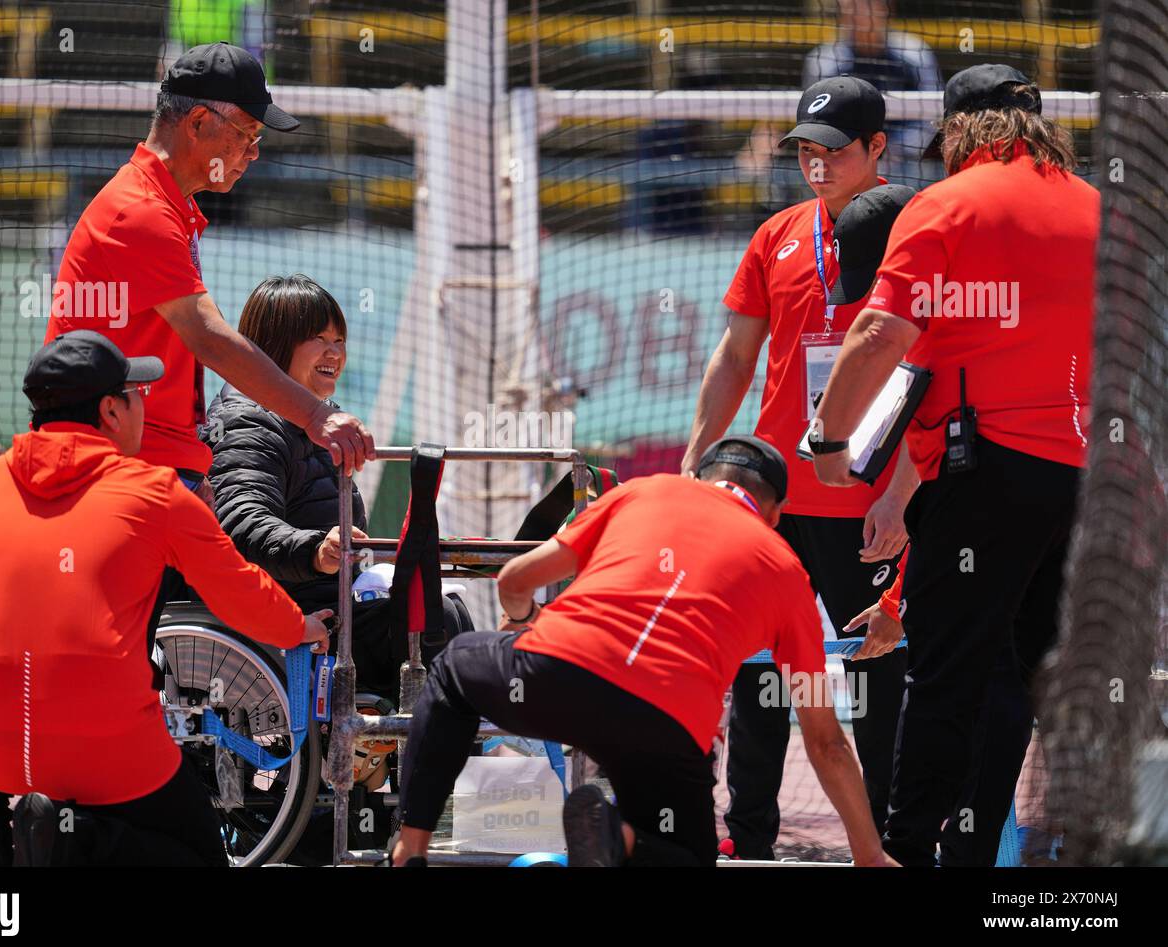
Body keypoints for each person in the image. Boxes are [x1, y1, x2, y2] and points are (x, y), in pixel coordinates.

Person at [811, 64, 1098, 866]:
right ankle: (974, 854)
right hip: (1076, 475)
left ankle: (904, 848)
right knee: (1013, 676)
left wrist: (829, 442)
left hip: (986, 468)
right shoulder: (1096, 209)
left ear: (960, 131)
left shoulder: (951, 204)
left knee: (942, 676)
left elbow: (881, 336)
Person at [390, 437, 897, 867]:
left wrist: (522, 624)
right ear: (776, 513)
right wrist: (869, 853)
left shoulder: (645, 492)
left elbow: (515, 579)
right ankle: (627, 839)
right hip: (667, 725)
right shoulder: (787, 574)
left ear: (699, 479)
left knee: (455, 669)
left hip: (562, 673)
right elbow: (827, 743)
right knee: (684, 848)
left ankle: (410, 850)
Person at [0, 330, 334, 866]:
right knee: (199, 857)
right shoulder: (156, 491)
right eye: (135, 393)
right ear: (110, 411)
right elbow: (238, 589)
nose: (145, 403)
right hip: (108, 753)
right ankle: (76, 840)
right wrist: (296, 626)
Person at [680, 77, 918, 859]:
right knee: (757, 672)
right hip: (776, 499)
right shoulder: (777, 232)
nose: (816, 167)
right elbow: (736, 355)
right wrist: (695, 462)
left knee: (880, 680)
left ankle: (879, 840)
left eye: (833, 152)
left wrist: (905, 493)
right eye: (805, 153)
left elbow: (943, 370)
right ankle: (749, 838)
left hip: (873, 500)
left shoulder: (915, 231)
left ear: (878, 148)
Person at [46, 41, 373, 499]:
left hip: (144, 462)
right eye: (247, 133)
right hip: (119, 468)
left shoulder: (167, 206)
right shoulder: (141, 210)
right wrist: (317, 416)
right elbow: (209, 338)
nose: (254, 151)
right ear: (198, 122)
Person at [203, 274, 472, 700]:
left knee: (440, 610)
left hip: (339, 603)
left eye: (340, 340)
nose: (335, 353)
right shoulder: (247, 422)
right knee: (431, 627)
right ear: (274, 342)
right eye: (318, 338)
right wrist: (316, 550)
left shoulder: (319, 422)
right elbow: (238, 524)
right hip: (298, 616)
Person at [803, 0, 941, 166]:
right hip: (844, 156)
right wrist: (855, 148)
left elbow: (933, 111)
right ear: (842, 12)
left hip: (907, 160)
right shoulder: (824, 61)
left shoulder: (915, 53)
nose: (861, 12)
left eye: (869, 4)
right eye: (853, 6)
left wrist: (897, 148)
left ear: (885, 8)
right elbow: (819, 117)